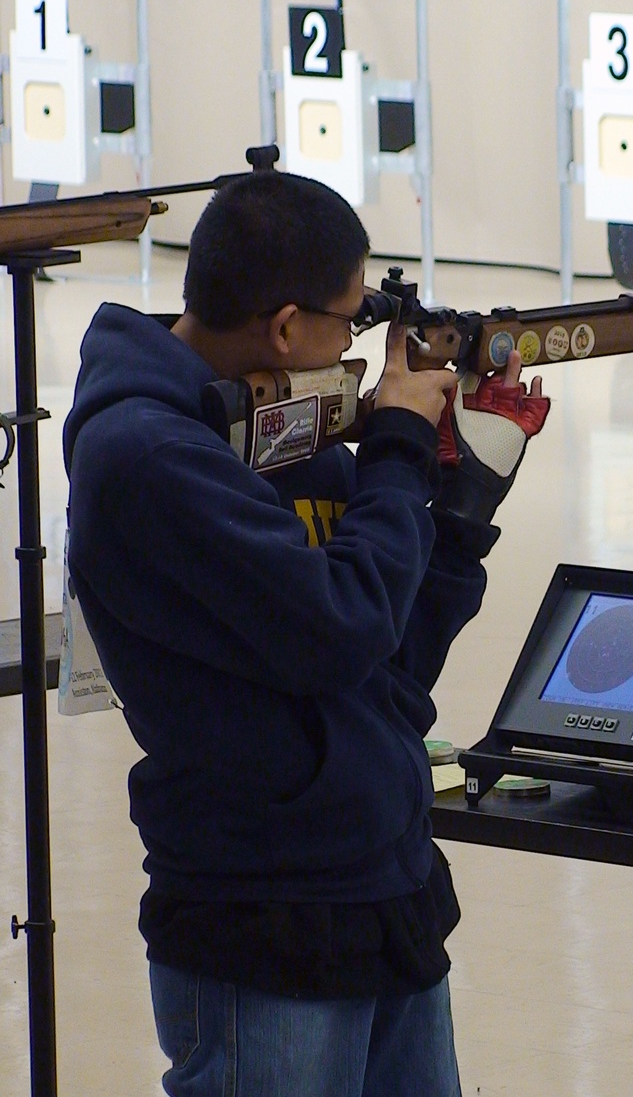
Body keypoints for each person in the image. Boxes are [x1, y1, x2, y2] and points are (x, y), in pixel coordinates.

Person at [62, 169, 549, 1096]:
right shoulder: (147, 455)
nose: (359, 341)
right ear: (286, 328)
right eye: (351, 319)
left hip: (381, 885)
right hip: (262, 911)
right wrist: (401, 449)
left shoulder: (289, 432)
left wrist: (460, 498)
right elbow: (341, 624)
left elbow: (391, 666)